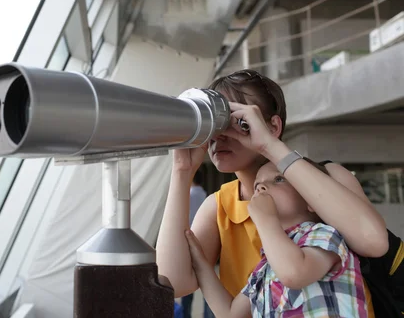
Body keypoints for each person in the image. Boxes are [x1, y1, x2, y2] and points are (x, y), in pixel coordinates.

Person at [156, 69, 388, 317]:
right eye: (216, 124)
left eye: (236, 120)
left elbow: (374, 242)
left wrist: (269, 145)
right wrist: (182, 169)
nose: (220, 136)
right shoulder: (221, 205)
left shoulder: (326, 176)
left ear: (273, 125)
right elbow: (173, 282)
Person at [184, 161, 368, 317]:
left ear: (311, 200)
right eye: (257, 186)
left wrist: (266, 220)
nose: (262, 187)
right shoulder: (267, 265)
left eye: (279, 179)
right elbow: (231, 313)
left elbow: (294, 273)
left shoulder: (324, 235)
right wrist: (200, 263)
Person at [181, 168, 208, 318]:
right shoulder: (204, 194)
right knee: (206, 282)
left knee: (187, 281)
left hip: (188, 239)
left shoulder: (189, 195)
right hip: (204, 238)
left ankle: (186, 315)